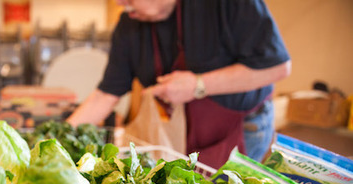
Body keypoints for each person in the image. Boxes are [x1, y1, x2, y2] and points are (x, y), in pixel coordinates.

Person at [67, 0, 291, 168]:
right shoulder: (129, 24)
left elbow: (277, 67)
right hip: (182, 132)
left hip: (241, 128)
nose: (120, 3)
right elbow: (105, 95)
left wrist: (197, 85)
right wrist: (55, 139)